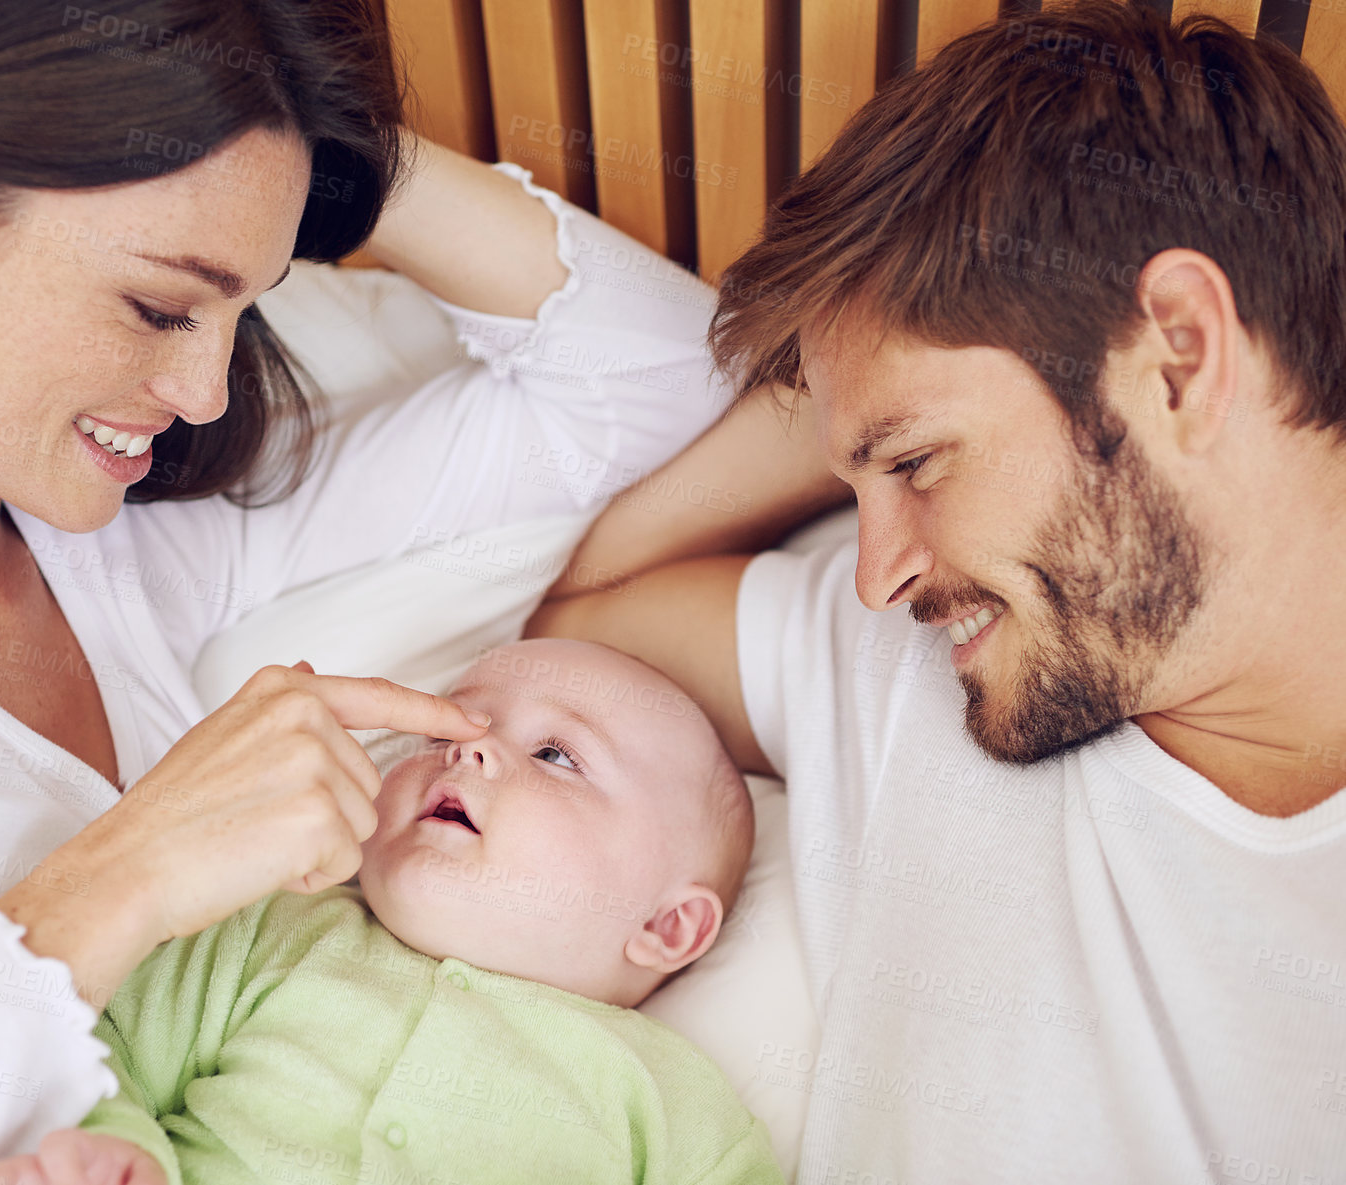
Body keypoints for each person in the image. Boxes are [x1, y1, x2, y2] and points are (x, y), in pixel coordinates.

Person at [0, 2, 728, 1181]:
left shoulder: (123, 543)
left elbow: (663, 375)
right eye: (162, 304)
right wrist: (119, 880)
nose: (208, 390)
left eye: (245, 307)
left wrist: (325, 135)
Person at [528, 2, 1346, 1181]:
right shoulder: (935, 665)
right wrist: (849, 385)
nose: (872, 578)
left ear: (1178, 352)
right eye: (850, 482)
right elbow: (586, 617)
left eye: (916, 465)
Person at [0, 638, 779, 1185]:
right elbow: (97, 1039)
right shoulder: (268, 929)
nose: (469, 747)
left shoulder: (673, 1105)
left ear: (667, 927)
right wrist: (118, 1148)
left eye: (555, 754)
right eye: (448, 726)